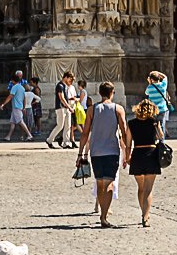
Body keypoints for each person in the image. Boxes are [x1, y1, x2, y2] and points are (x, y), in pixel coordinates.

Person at [77, 81, 131, 228]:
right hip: (112, 151)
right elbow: (124, 132)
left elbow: (85, 133)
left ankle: (103, 214)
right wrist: (127, 152)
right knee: (108, 184)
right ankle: (104, 216)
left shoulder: (92, 110)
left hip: (96, 152)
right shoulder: (118, 109)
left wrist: (80, 154)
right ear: (112, 93)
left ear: (100, 93)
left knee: (100, 183)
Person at [126, 98, 163, 226]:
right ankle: (145, 216)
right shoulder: (154, 122)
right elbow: (161, 136)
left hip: (137, 154)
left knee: (141, 188)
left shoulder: (131, 123)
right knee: (148, 189)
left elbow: (128, 143)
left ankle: (143, 211)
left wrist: (127, 157)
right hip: (151, 155)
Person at [46, 72, 75, 149]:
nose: (70, 80)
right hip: (60, 107)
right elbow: (61, 98)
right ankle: (49, 140)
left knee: (68, 125)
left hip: (66, 107)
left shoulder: (65, 86)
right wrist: (69, 107)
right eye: (69, 78)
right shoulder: (60, 85)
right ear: (66, 77)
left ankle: (66, 143)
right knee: (60, 125)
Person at [144, 71, 172, 138]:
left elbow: (146, 93)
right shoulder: (163, 85)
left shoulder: (150, 87)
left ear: (151, 79)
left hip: (153, 109)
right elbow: (165, 77)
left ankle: (154, 137)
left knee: (153, 123)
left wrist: (150, 83)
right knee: (162, 124)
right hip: (162, 108)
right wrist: (158, 73)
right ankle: (162, 139)